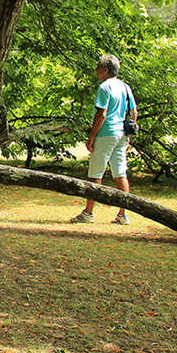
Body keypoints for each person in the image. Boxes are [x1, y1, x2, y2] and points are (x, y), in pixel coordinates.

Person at [69, 54, 137, 225]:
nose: (96, 70)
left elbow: (101, 113)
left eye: (98, 67)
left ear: (106, 69)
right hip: (121, 134)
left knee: (95, 174)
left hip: (106, 134)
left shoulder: (104, 87)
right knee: (120, 173)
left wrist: (91, 137)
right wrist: (128, 134)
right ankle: (123, 215)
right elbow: (134, 112)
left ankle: (88, 213)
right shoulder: (125, 87)